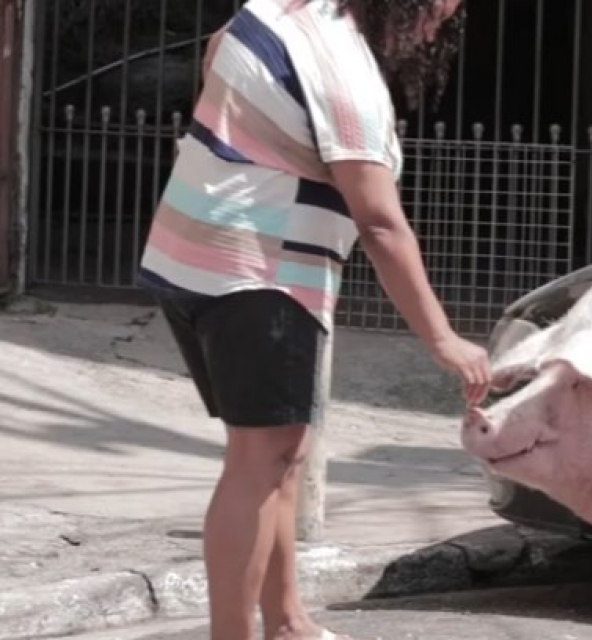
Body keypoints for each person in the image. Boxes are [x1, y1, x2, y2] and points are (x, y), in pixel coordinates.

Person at [135, 1, 489, 638]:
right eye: (435, 9)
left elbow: (218, 49)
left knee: (280, 455)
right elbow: (381, 225)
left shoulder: (279, 13)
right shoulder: (344, 74)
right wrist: (442, 338)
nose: (438, 25)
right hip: (259, 275)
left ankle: (288, 620)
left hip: (192, 254)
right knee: (258, 463)